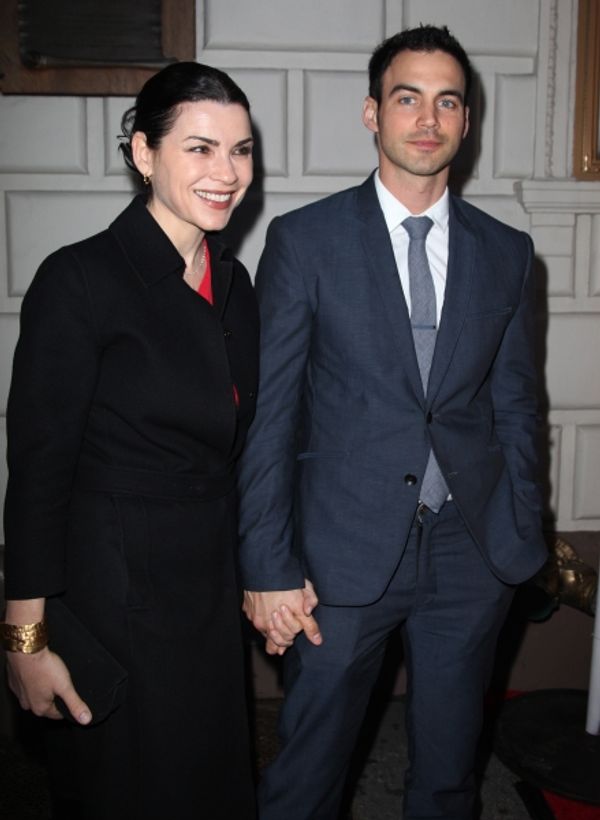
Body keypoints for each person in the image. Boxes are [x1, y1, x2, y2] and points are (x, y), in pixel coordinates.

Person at [238, 24, 548, 820]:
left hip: (469, 552)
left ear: (467, 120)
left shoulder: (508, 253)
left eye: (448, 101)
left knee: (449, 776)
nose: (427, 119)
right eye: (407, 98)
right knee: (309, 771)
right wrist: (267, 562)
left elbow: (515, 404)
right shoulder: (304, 242)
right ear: (372, 113)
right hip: (337, 556)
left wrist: (518, 528)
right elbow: (272, 413)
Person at [1, 62, 259, 820]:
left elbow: (240, 449)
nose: (227, 172)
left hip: (205, 600)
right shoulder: (78, 279)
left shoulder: (236, 286)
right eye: (201, 148)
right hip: (115, 604)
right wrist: (25, 641)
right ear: (144, 153)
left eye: (241, 150)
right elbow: (39, 471)